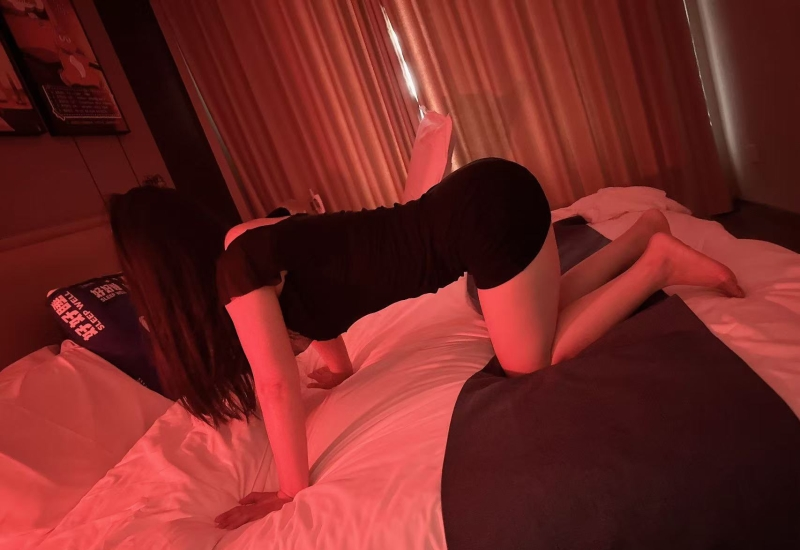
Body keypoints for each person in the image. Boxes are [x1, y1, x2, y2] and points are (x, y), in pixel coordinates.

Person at [109, 158, 744, 530]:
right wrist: (340, 367)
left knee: (530, 361)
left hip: (483, 218)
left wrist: (288, 492)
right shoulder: (244, 242)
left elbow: (274, 384)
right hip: (484, 193)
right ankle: (642, 236)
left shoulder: (236, 278)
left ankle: (657, 264)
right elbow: (317, 290)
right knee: (540, 315)